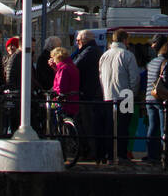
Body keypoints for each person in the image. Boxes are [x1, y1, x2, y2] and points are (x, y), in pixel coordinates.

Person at [99, 29, 141, 163]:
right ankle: (121, 155)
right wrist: (132, 93)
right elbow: (134, 78)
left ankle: (110, 155)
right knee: (123, 127)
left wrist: (105, 90)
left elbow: (100, 76)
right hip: (125, 95)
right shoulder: (127, 55)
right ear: (125, 40)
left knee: (109, 127)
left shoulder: (104, 55)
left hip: (108, 95)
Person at [74, 30, 105, 162]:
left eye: (78, 41)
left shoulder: (89, 51)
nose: (77, 43)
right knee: (88, 124)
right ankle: (91, 151)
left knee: (88, 125)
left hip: (88, 93)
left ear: (82, 41)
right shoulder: (94, 50)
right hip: (92, 92)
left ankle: (92, 152)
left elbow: (76, 66)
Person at [144, 34, 168, 164]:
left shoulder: (151, 63)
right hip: (159, 97)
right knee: (164, 127)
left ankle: (152, 154)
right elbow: (166, 80)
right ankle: (165, 154)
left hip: (149, 97)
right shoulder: (164, 62)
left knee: (152, 127)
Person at [50, 46, 80, 117]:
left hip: (65, 102)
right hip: (74, 99)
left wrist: (54, 92)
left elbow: (61, 87)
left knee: (52, 112)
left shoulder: (63, 69)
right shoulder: (72, 66)